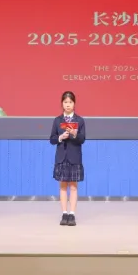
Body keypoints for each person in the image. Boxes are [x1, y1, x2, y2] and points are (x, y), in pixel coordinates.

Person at [49, 91, 86, 226]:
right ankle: (64, 213)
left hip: (74, 157)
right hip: (61, 157)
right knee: (63, 187)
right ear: (62, 104)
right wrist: (60, 137)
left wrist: (75, 134)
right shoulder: (57, 120)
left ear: (74, 103)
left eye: (70, 102)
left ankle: (72, 214)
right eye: (65, 102)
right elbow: (52, 139)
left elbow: (82, 139)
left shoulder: (79, 120)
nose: (68, 105)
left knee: (74, 187)